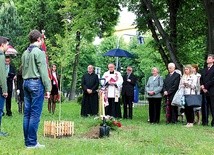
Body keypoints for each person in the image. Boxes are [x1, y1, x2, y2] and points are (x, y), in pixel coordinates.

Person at [22, 30, 51, 148]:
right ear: (39, 39)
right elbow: (44, 72)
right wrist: (48, 88)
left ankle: (27, 142)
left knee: (27, 114)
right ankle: (32, 143)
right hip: (36, 83)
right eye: (42, 39)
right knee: (34, 115)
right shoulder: (39, 52)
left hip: (26, 82)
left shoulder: (25, 52)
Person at [200, 54, 214, 127]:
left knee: (212, 107)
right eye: (207, 58)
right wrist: (202, 86)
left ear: (213, 60)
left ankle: (213, 123)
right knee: (204, 107)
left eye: (209, 58)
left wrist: (205, 86)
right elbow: (201, 79)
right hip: (204, 91)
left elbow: (213, 80)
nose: (207, 59)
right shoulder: (204, 69)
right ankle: (204, 122)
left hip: (211, 90)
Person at [0, 36, 9, 136]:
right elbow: (2, 75)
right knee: (0, 110)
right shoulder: (1, 56)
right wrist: (5, 90)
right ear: (2, 44)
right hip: (0, 88)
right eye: (7, 44)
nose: (8, 46)